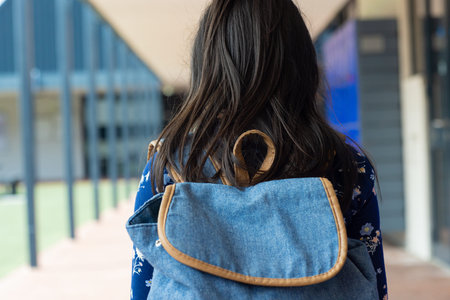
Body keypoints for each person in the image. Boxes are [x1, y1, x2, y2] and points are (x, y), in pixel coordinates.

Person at [129, 0, 388, 299]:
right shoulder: (345, 165)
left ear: (208, 65)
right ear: (302, 62)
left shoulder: (169, 166)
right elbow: (375, 286)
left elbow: (143, 287)